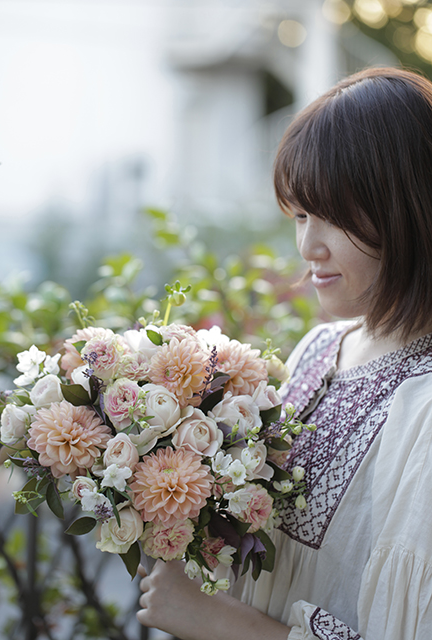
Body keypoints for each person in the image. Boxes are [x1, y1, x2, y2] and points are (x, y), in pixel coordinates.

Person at [136, 66, 432, 640]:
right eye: (300, 214)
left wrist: (218, 621)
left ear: (410, 212)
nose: (308, 245)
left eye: (335, 217)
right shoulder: (320, 349)